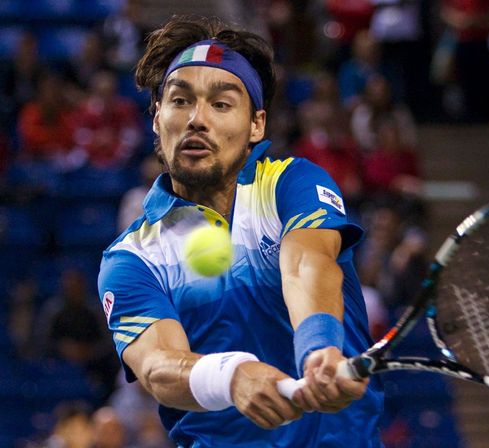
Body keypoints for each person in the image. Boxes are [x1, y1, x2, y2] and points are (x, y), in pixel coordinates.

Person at [97, 16, 382, 447]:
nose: (197, 119)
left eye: (222, 104)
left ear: (257, 125)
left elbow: (306, 263)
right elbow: (158, 365)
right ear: (157, 119)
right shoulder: (132, 257)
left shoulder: (289, 184)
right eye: (180, 101)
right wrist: (231, 376)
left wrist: (319, 347)